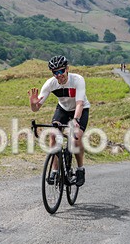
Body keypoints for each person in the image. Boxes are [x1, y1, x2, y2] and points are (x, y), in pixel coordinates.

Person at [28, 55, 89, 186]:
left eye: (61, 71)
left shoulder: (77, 80)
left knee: (76, 137)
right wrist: (33, 103)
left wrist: (76, 120)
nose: (59, 75)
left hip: (80, 109)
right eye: (55, 72)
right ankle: (55, 171)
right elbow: (36, 109)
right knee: (53, 135)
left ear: (67, 69)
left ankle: (80, 169)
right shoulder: (51, 83)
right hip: (63, 108)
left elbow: (79, 104)